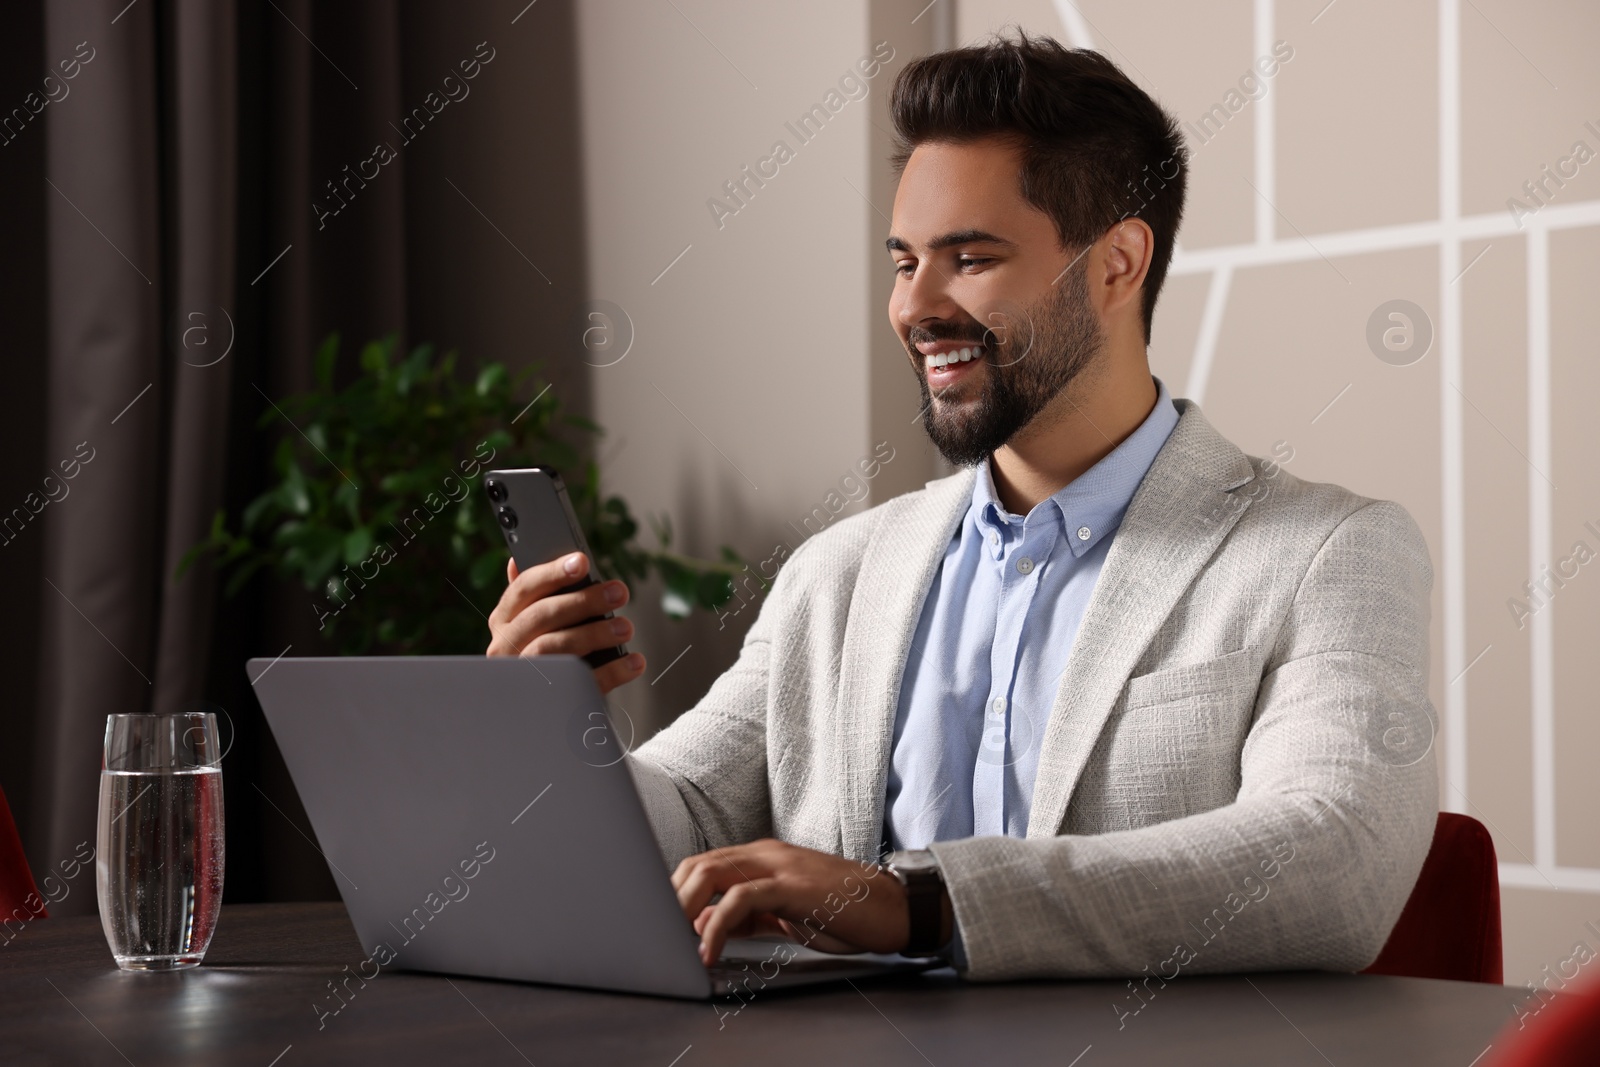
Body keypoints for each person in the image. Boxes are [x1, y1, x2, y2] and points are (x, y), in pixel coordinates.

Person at [487, 30, 1438, 982]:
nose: (915, 306)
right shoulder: (841, 571)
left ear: (1117, 263)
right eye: (904, 262)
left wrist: (918, 906)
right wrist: (540, 719)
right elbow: (681, 820)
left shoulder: (1330, 551)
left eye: (970, 258)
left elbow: (1333, 856)